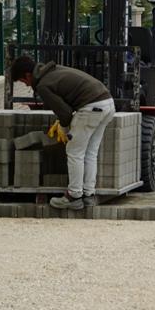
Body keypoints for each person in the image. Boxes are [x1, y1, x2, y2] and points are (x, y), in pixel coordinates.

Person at [10, 56, 116, 210]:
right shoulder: (53, 70)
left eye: (23, 81)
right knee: (90, 153)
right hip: (107, 104)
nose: (26, 84)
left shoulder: (43, 85)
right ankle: (88, 195)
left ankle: (73, 197)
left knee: (74, 152)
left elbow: (65, 114)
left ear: (28, 75)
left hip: (91, 107)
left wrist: (65, 129)